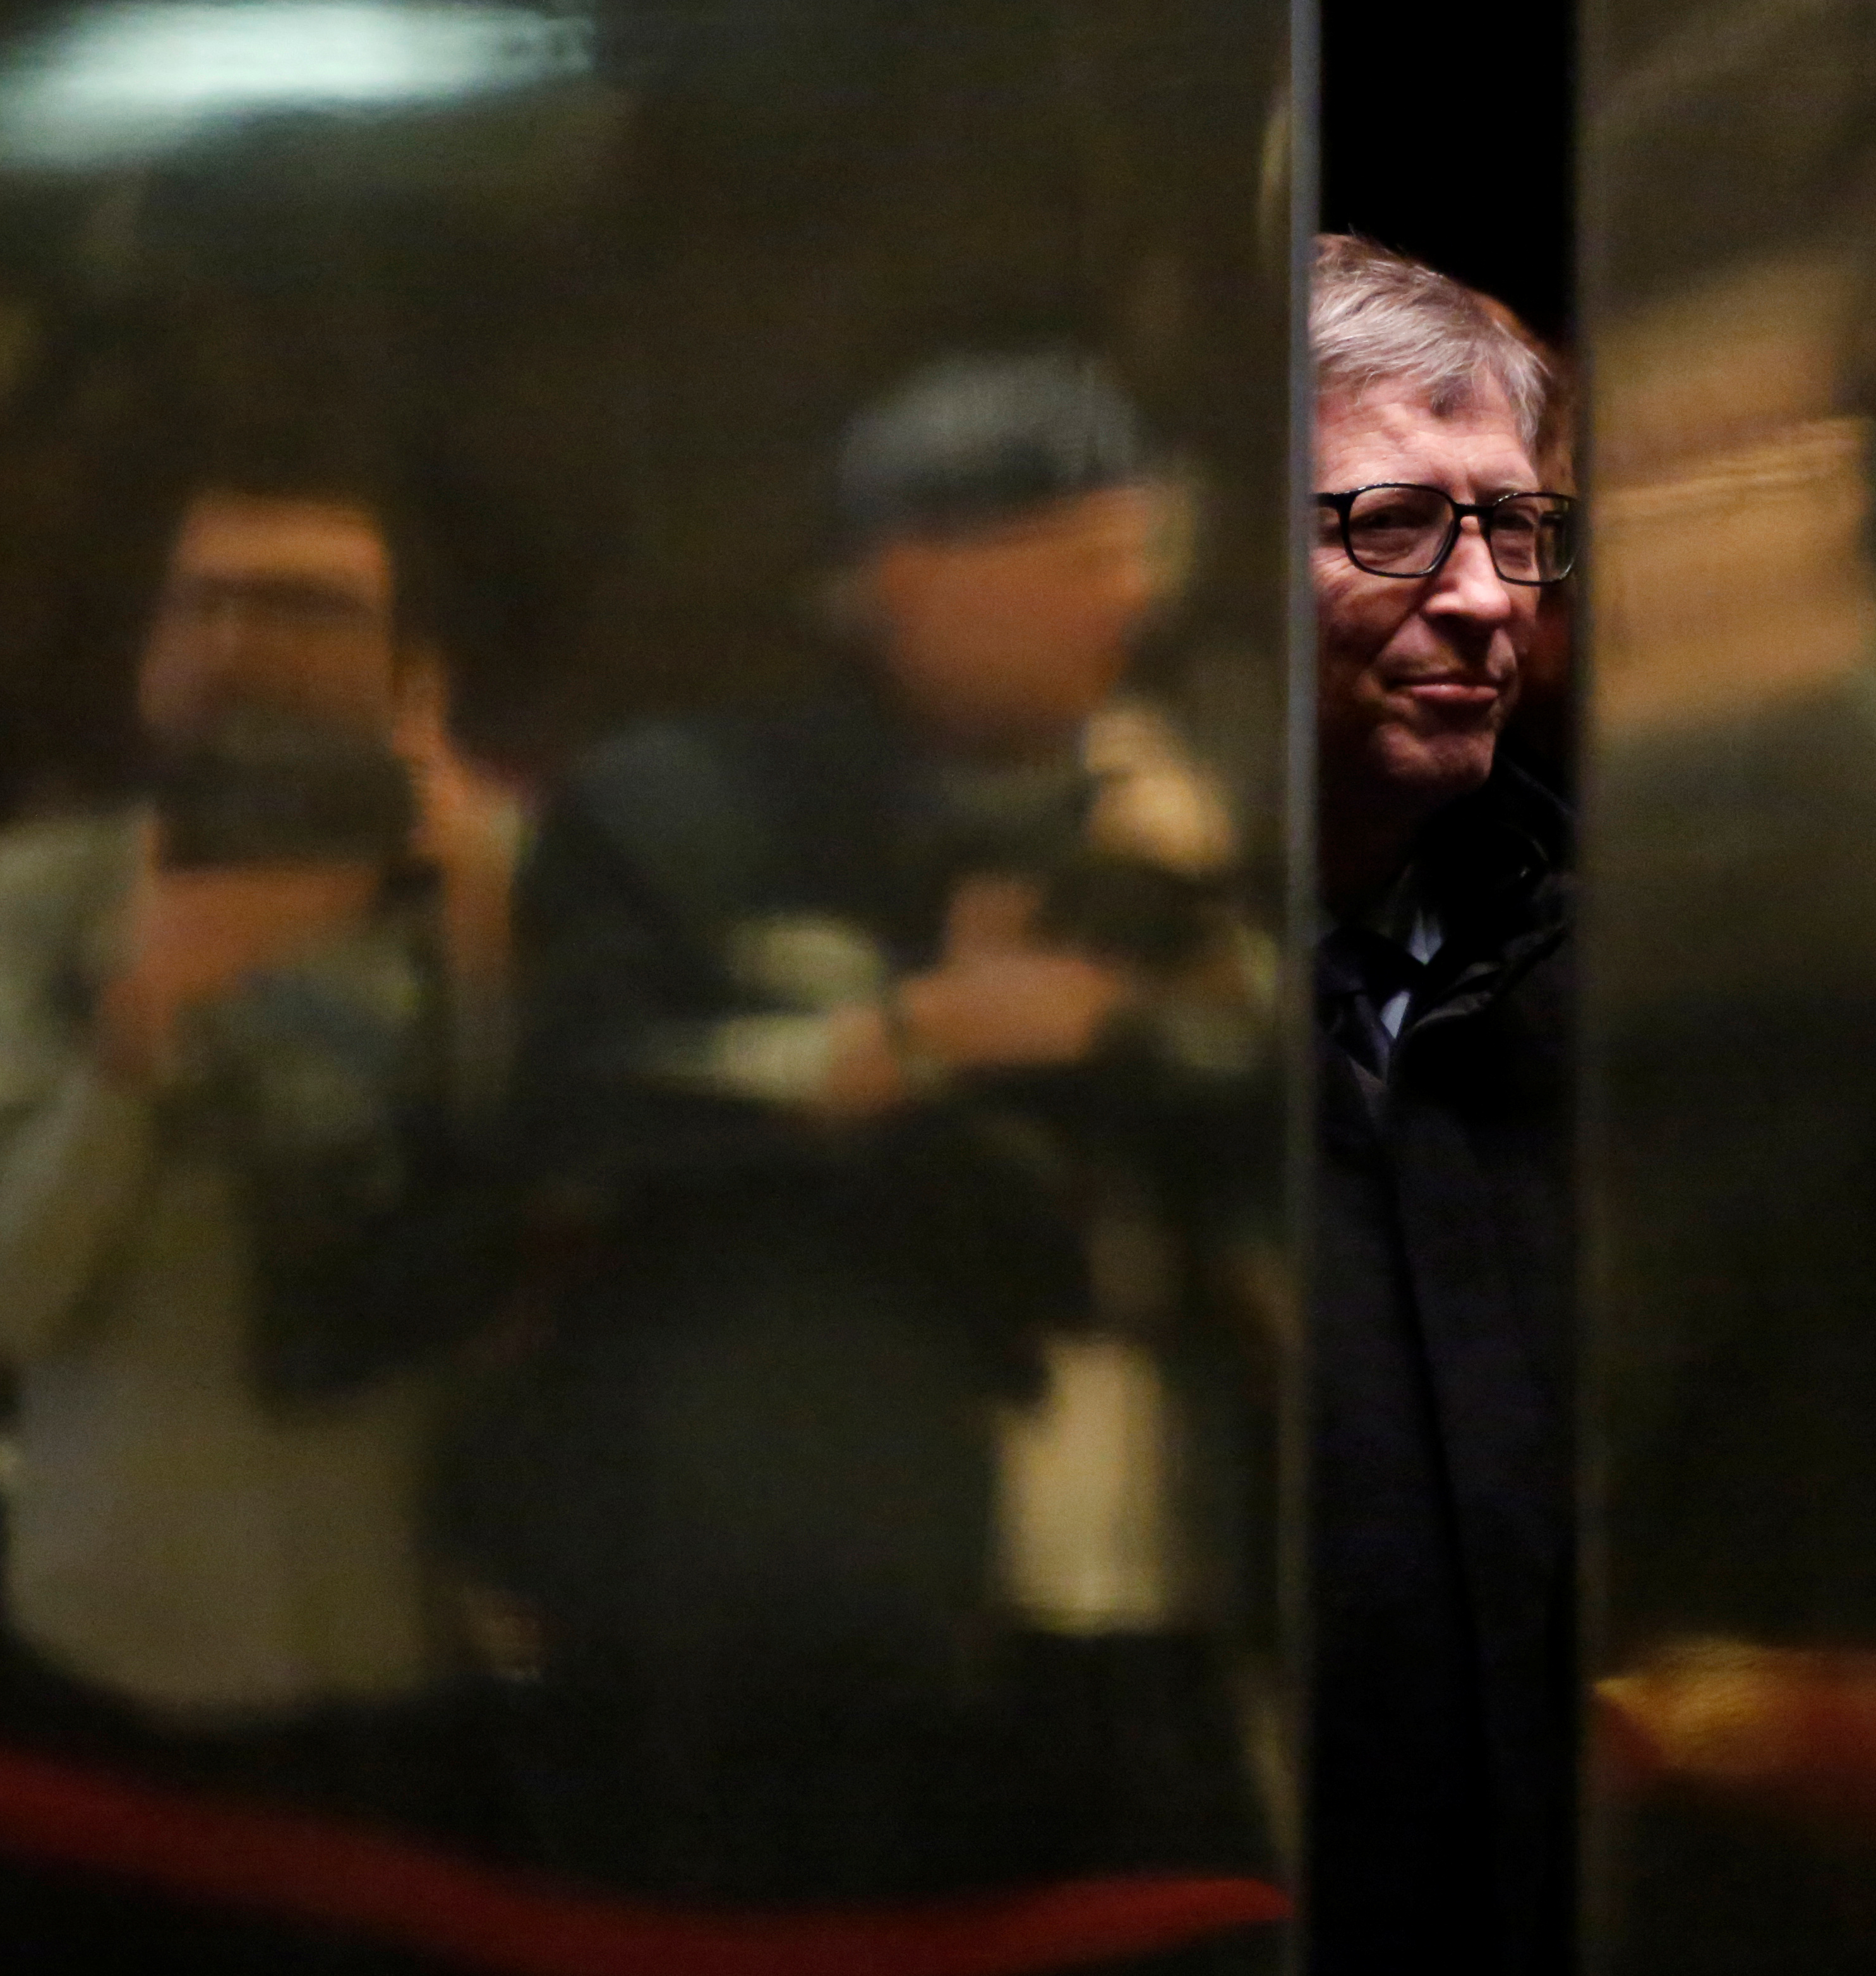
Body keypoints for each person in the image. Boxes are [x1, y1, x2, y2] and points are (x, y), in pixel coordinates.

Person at [471, 351, 1280, 1956]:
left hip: (1161, 1590)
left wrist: (1186, 963)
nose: (1123, 601)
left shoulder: (1188, 818)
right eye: (1071, 558)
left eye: (1142, 552)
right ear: (904, 576)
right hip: (819, 1598)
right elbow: (577, 1109)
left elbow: (1290, 1125)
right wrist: (912, 1038)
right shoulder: (688, 810)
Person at [0, 431, 526, 1960]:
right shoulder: (37, 900)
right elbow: (7, 1300)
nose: (232, 644)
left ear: (412, 667)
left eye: (299, 608)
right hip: (108, 1650)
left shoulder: (500, 888)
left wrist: (482, 928)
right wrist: (138, 1023)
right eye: (195, 603)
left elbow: (564, 1242)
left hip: (412, 1653)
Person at [1304, 234, 1577, 1976]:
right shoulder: (1096, 1015)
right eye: (1393, 523)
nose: (1481, 596)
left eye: (1517, 529)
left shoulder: (1612, 979)